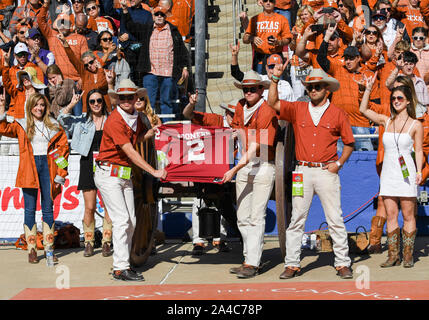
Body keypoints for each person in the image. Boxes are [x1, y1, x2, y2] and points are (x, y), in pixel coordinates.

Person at [267, 68, 354, 279]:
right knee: (297, 218)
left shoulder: (338, 113)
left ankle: (342, 263)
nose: (313, 90)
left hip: (326, 171)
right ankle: (292, 263)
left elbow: (350, 143)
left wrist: (339, 163)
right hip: (302, 170)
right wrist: (275, 80)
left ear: (327, 89)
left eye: (317, 86)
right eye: (310, 87)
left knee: (335, 218)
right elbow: (272, 103)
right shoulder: (298, 108)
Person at [94, 79, 167, 281]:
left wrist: (149, 133)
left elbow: (136, 140)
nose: (126, 100)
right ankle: (120, 268)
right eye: (122, 97)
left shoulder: (136, 116)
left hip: (125, 174)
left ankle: (124, 262)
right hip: (109, 174)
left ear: (136, 98)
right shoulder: (115, 120)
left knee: (132, 222)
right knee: (122, 221)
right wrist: (154, 171)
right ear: (117, 100)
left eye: (130, 96)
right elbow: (130, 151)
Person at [360, 74, 423, 268]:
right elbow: (363, 110)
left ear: (408, 101)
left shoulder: (416, 124)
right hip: (388, 174)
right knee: (391, 214)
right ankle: (393, 255)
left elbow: (419, 150)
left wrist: (419, 171)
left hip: (406, 174)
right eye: (393, 98)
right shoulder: (385, 121)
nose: (396, 101)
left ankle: (407, 255)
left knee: (408, 215)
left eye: (400, 98)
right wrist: (368, 89)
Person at [0, 93, 69, 264]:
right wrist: (2, 108)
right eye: (36, 105)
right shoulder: (21, 125)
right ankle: (31, 249)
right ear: (30, 107)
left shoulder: (54, 125)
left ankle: (49, 249)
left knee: (48, 207)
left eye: (42, 105)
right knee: (29, 209)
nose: (39, 108)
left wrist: (61, 173)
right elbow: (3, 128)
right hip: (29, 167)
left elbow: (63, 149)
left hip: (49, 166)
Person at [222, 71, 278, 279]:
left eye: (252, 89)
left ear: (261, 90)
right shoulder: (239, 106)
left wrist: (233, 169)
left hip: (263, 164)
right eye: (246, 89)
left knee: (256, 216)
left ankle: (252, 262)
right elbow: (235, 132)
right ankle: (250, 257)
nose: (248, 92)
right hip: (245, 164)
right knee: (242, 216)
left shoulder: (266, 111)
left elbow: (256, 146)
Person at [58, 89, 113, 257]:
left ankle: (106, 242)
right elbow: (62, 119)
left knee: (109, 206)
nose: (96, 104)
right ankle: (88, 242)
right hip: (88, 163)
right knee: (89, 207)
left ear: (103, 103)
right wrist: (72, 104)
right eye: (92, 101)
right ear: (88, 104)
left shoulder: (110, 120)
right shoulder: (82, 120)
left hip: (108, 164)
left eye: (99, 101)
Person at [183, 93, 238, 255]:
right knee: (199, 198)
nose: (234, 117)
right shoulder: (217, 120)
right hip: (210, 167)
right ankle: (198, 240)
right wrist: (191, 103)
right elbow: (188, 115)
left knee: (224, 201)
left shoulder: (244, 126)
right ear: (226, 113)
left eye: (237, 115)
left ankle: (219, 238)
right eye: (232, 114)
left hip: (232, 170)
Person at [123, 3, 189, 122]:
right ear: (153, 16)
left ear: (165, 16)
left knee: (167, 102)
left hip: (168, 72)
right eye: (157, 14)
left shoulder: (173, 31)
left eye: (162, 14)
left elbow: (182, 51)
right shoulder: (147, 29)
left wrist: (184, 67)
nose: (159, 16)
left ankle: (166, 127)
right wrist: (125, 12)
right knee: (149, 102)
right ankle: (149, 126)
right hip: (150, 71)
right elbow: (131, 26)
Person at [317, 24, 379, 152]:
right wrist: (327, 37)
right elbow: (321, 59)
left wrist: (376, 123)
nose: (348, 62)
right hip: (339, 125)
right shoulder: (338, 70)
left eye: (351, 59)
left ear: (358, 58)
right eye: (346, 59)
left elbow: (376, 102)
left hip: (361, 126)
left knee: (365, 160)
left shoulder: (368, 75)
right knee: (339, 160)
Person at [38, 0, 89, 115]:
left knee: (78, 117)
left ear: (71, 25)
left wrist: (82, 78)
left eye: (65, 22)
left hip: (77, 84)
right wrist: (46, 5)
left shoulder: (80, 38)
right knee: (62, 118)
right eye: (60, 22)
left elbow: (86, 61)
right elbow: (40, 21)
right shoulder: (52, 36)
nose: (62, 25)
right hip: (60, 84)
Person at [57, 32, 111, 114]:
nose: (89, 65)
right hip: (89, 112)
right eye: (86, 65)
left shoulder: (105, 72)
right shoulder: (85, 73)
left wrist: (100, 69)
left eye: (91, 62)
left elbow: (101, 85)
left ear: (95, 60)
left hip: (104, 111)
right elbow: (73, 59)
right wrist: (65, 43)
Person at [243, 0, 292, 74]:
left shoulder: (282, 19)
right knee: (259, 82)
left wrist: (278, 42)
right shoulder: (254, 19)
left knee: (277, 82)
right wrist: (252, 38)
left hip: (276, 54)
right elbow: (245, 39)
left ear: (275, 3)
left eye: (271, 1)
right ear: (262, 2)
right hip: (259, 56)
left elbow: (288, 39)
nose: (268, 3)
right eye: (265, 0)